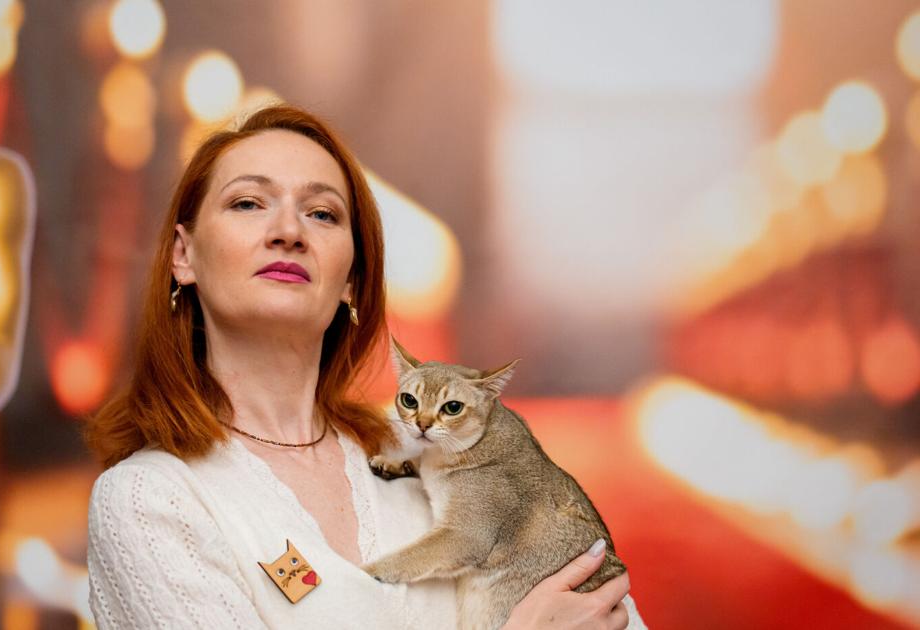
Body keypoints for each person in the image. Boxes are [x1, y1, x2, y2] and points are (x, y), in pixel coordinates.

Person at [84, 105, 634, 629]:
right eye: (248, 203)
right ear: (183, 256)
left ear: (351, 280)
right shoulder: (149, 499)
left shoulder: (436, 453)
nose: (288, 231)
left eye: (322, 213)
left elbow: (605, 605)